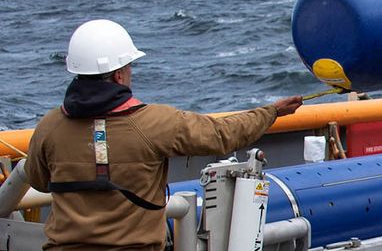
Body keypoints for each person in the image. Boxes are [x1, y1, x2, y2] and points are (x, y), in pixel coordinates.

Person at [25, 19, 303, 250]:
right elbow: (222, 135)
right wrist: (271, 112)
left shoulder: (50, 126)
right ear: (120, 75)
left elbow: (38, 180)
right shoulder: (154, 123)